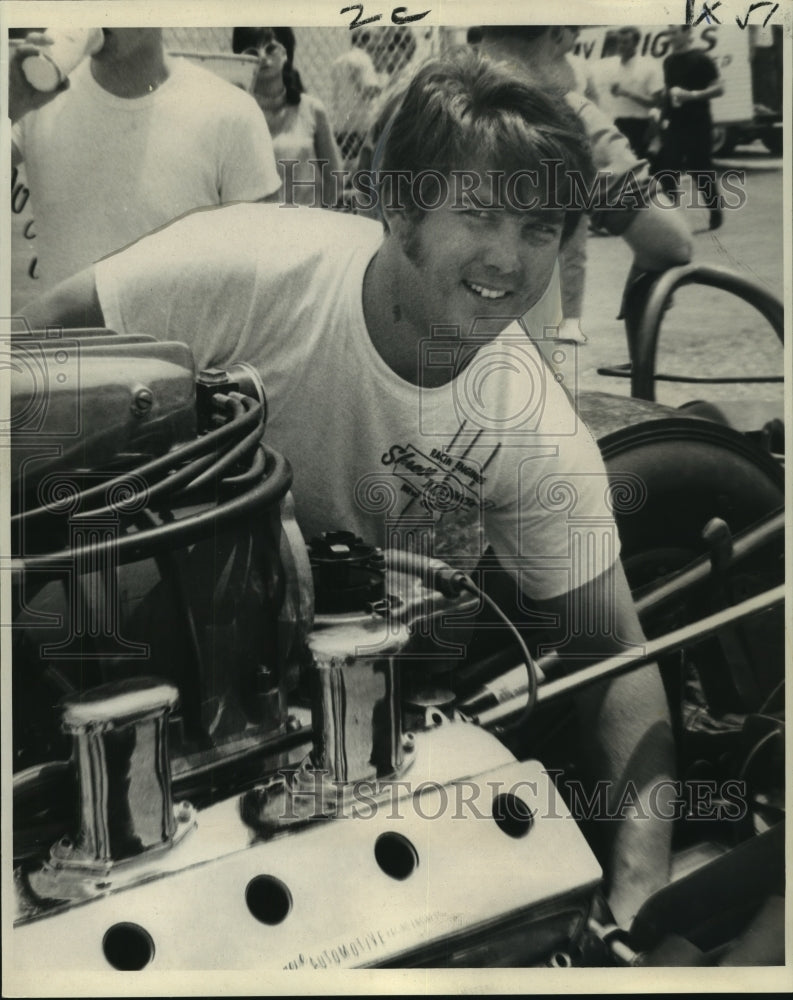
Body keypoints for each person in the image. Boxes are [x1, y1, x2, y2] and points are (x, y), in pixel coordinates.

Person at [21, 48, 676, 932]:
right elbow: (30, 356)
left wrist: (638, 904)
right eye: (478, 215)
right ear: (398, 205)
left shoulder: (533, 428)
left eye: (537, 230)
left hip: (357, 710)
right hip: (129, 653)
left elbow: (617, 666)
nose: (507, 262)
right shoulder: (243, 268)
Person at [9, 28, 280, 295]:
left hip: (176, 340)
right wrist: (9, 104)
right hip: (70, 341)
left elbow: (263, 283)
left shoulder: (231, 112)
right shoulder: (34, 103)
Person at [476, 25, 692, 346]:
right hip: (509, 366)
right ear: (560, 32)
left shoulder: (404, 100)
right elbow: (672, 243)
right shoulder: (567, 115)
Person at [232, 27, 343, 207]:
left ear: (286, 53)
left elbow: (334, 178)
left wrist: (319, 217)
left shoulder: (312, 109)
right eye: (252, 51)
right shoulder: (235, 112)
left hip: (306, 225)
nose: (262, 56)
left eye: (270, 48)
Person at [655, 25, 725, 231]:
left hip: (698, 123)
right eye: (669, 32)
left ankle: (715, 210)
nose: (671, 36)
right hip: (675, 124)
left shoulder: (701, 59)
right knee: (667, 169)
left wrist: (692, 95)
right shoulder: (668, 61)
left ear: (687, 33)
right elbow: (669, 91)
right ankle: (671, 218)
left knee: (700, 169)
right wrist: (662, 117)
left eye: (675, 32)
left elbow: (719, 88)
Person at [592, 26, 663, 160]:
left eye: (625, 42)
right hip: (617, 123)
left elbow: (657, 102)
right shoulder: (611, 66)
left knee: (636, 166)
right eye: (619, 42)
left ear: (635, 43)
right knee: (619, 165)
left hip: (640, 126)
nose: (620, 46)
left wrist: (628, 93)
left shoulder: (649, 66)